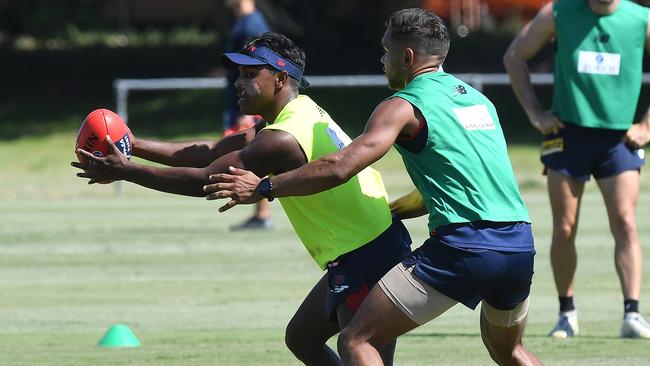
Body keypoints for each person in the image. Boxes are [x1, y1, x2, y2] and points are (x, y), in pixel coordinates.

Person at [205, 9, 541, 365]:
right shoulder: (479, 102)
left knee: (357, 340)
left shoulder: (402, 106)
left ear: (407, 56)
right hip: (519, 245)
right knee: (510, 351)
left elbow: (341, 166)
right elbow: (462, 185)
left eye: (386, 51)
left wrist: (265, 187)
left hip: (463, 249)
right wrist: (395, 209)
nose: (383, 60)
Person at [72, 32, 411, 365]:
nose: (238, 82)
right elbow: (210, 151)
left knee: (358, 347)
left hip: (367, 253)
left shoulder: (281, 138)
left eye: (250, 74)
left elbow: (206, 180)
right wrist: (133, 144)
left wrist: (127, 171)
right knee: (303, 337)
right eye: (238, 73)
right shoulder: (295, 112)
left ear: (280, 78)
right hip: (366, 247)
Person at [504, 0, 650, 339]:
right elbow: (514, 56)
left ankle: (632, 313)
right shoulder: (558, 12)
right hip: (568, 135)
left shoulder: (641, 18)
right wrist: (535, 113)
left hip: (619, 140)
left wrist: (646, 125)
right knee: (565, 227)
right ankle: (566, 312)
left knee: (626, 222)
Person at [224, 0, 273, 230]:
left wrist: (250, 113)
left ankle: (263, 215)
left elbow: (258, 72)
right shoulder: (244, 22)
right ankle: (261, 214)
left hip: (246, 106)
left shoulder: (252, 25)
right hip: (239, 104)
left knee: (253, 158)